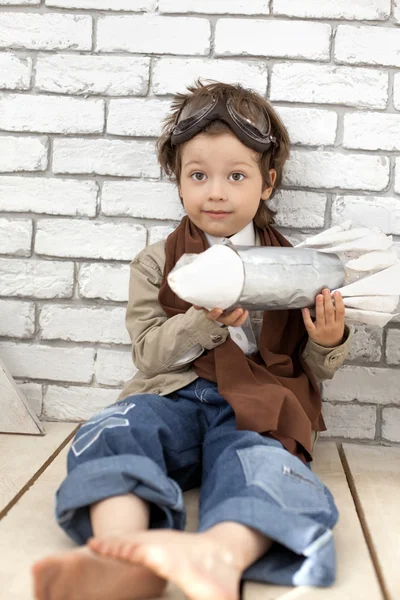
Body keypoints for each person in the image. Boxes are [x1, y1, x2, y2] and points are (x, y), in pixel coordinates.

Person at [32, 80, 353, 600]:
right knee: (115, 428)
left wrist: (327, 339)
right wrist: (205, 320)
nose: (216, 192)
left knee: (267, 461)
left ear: (267, 183)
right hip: (175, 395)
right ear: (178, 182)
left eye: (236, 175)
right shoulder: (157, 262)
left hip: (260, 403)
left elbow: (308, 371)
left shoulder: (295, 265)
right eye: (198, 175)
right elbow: (148, 352)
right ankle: (121, 551)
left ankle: (218, 554)